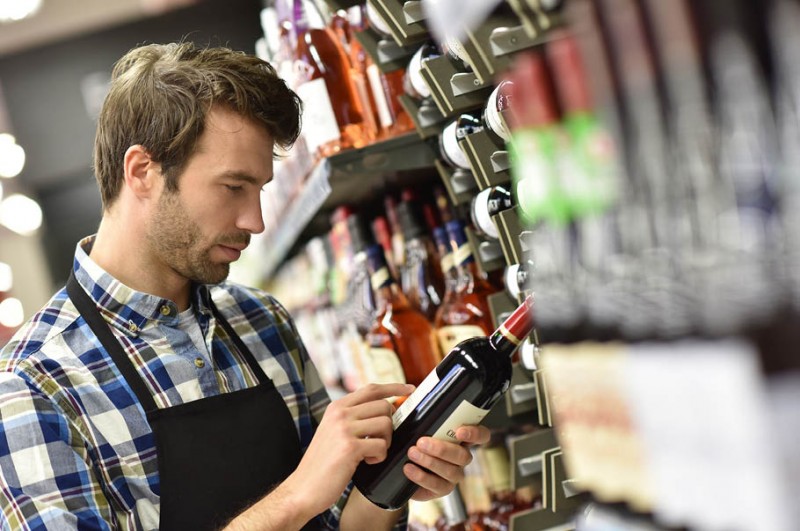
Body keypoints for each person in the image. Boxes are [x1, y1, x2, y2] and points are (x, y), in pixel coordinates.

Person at [0, 42, 489, 530]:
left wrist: (391, 486)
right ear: (142, 172)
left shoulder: (262, 320)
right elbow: (305, 499)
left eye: (260, 190)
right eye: (233, 187)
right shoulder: (31, 386)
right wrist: (296, 498)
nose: (254, 221)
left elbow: (343, 522)